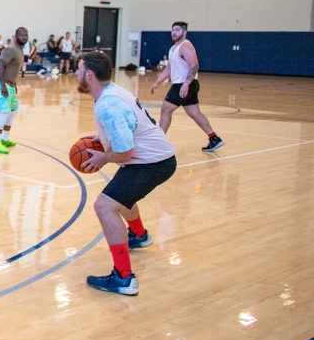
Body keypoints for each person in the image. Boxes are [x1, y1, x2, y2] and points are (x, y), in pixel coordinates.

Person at [76, 51, 178, 296]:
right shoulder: (113, 92)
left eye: (79, 69)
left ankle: (124, 278)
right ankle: (140, 235)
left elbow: (125, 153)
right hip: (159, 158)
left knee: (105, 206)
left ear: (89, 75)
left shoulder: (108, 105)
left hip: (153, 163)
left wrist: (103, 157)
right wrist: (102, 138)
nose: (76, 73)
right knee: (120, 196)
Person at [149, 21, 224, 152]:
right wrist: (157, 82)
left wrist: (186, 84)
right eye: (172, 30)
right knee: (195, 113)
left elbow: (194, 65)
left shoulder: (186, 46)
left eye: (177, 30)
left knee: (165, 109)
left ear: (184, 32)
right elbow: (169, 68)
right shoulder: (173, 49)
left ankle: (159, 143)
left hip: (184, 84)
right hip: (185, 85)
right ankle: (214, 138)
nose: (174, 32)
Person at [0, 27, 29, 154]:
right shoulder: (11, 49)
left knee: (13, 111)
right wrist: (2, 85)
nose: (24, 37)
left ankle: (5, 139)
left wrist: (14, 84)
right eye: (22, 35)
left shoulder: (20, 50)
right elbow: (0, 64)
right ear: (16, 36)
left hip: (10, 84)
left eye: (26, 35)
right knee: (4, 113)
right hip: (0, 83)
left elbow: (13, 69)